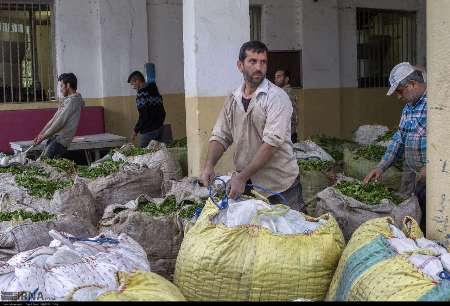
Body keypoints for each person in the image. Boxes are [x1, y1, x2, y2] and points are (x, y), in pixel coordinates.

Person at [200, 40, 304, 211]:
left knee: (289, 234)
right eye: (253, 61)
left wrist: (241, 177)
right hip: (249, 185)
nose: (259, 67)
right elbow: (220, 135)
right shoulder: (233, 99)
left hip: (280, 186)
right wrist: (209, 165)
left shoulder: (276, 98)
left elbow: (271, 145)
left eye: (263, 62)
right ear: (240, 65)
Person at [364, 62, 427, 230]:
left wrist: (431, 166)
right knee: (416, 221)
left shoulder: (435, 105)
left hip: (433, 179)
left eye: (399, 91)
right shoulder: (408, 108)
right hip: (415, 176)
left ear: (412, 84)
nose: (399, 97)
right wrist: (381, 166)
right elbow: (399, 139)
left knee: (429, 222)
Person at [33, 73, 84, 159]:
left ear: (68, 85)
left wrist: (43, 137)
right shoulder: (67, 100)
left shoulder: (73, 101)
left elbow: (59, 122)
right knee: (41, 163)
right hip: (55, 138)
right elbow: (54, 119)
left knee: (42, 165)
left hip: (61, 141)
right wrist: (40, 134)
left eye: (61, 86)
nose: (60, 90)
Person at [127, 71, 166, 148]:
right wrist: (159, 124)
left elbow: (144, 115)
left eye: (133, 84)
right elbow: (163, 112)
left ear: (138, 81)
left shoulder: (141, 94)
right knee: (157, 155)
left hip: (148, 131)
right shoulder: (155, 91)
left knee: (144, 156)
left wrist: (135, 131)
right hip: (160, 128)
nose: (133, 87)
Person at [274, 69, 299, 143]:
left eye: (279, 76)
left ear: (286, 79)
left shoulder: (286, 93)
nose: (275, 79)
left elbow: (291, 115)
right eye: (275, 77)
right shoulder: (281, 92)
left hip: (286, 134)